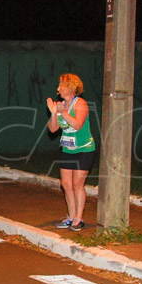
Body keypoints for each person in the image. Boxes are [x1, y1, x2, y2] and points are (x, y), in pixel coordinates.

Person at [47, 73, 96, 231]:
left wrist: (64, 112)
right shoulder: (61, 105)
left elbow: (77, 125)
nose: (58, 89)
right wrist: (55, 112)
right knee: (66, 184)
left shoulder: (79, 104)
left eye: (60, 86)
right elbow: (53, 129)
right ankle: (71, 216)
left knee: (77, 184)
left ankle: (78, 219)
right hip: (68, 149)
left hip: (84, 149)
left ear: (69, 87)